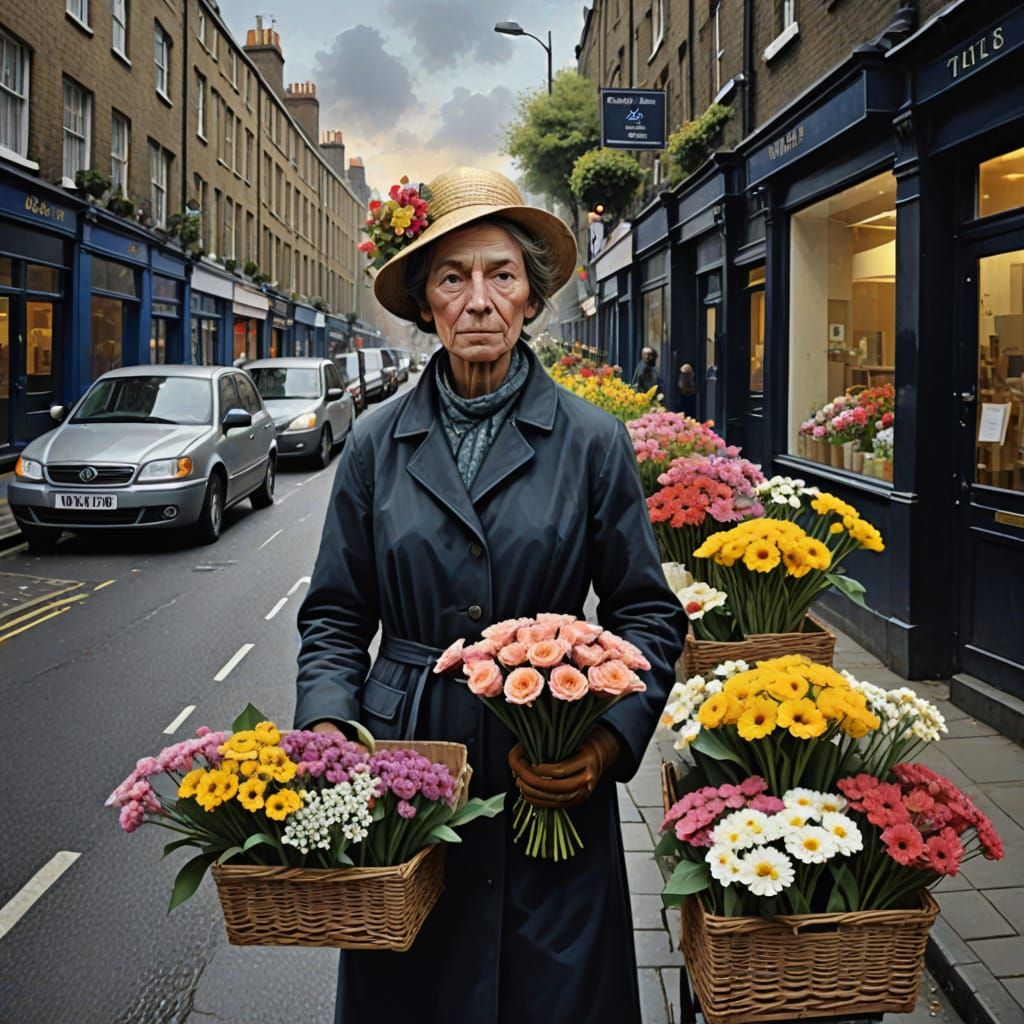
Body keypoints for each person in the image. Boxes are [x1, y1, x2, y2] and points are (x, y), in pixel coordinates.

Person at [294, 166, 685, 1024]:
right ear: (426, 303)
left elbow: (648, 615)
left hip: (547, 770)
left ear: (531, 298)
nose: (478, 300)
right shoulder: (372, 443)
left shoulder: (592, 441)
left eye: (500, 275)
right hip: (406, 778)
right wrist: (328, 733)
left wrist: (606, 747)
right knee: (413, 992)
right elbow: (334, 616)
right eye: (452, 276)